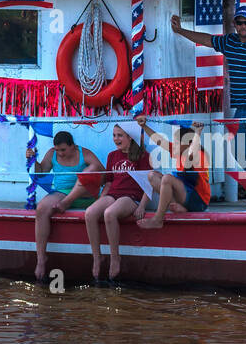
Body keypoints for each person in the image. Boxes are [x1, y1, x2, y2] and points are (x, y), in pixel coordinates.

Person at [171, 5, 246, 209]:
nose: (242, 27)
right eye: (239, 23)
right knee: (240, 150)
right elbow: (206, 39)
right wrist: (180, 31)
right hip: (242, 108)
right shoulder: (230, 42)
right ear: (235, 25)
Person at [30, 130, 106, 281]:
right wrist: (33, 160)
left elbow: (103, 175)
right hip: (61, 194)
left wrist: (87, 176)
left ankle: (68, 202)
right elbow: (41, 173)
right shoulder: (52, 154)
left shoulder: (84, 153)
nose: (60, 153)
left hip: (86, 194)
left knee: (90, 170)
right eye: (58, 150)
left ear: (73, 146)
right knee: (41, 209)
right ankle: (41, 259)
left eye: (63, 150)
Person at [84, 124, 151, 281]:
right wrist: (100, 200)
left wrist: (142, 206)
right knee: (90, 213)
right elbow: (109, 183)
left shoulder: (143, 156)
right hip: (113, 194)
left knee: (110, 214)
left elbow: (150, 184)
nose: (116, 139)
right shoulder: (112, 156)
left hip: (131, 197)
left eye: (120, 135)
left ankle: (115, 258)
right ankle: (97, 257)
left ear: (130, 137)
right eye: (114, 135)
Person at [135, 116, 210, 229]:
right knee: (152, 176)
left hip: (199, 201)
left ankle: (158, 219)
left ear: (188, 144)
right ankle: (177, 205)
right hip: (185, 194)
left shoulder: (198, 154)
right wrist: (144, 126)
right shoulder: (179, 151)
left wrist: (197, 133)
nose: (173, 145)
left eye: (176, 142)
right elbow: (159, 140)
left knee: (167, 178)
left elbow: (191, 154)